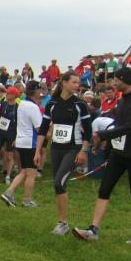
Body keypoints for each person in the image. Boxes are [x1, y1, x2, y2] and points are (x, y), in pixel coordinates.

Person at [73, 67, 131, 243]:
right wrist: (99, 130)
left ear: (125, 81)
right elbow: (115, 120)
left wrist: (103, 135)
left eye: (116, 80)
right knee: (104, 188)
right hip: (118, 153)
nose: (114, 83)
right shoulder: (123, 100)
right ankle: (93, 230)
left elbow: (130, 126)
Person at [33, 72, 91, 235]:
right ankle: (62, 222)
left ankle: (63, 223)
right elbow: (43, 129)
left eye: (78, 83)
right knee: (58, 185)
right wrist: (38, 151)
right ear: (64, 83)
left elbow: (88, 130)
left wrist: (83, 150)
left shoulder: (80, 104)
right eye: (74, 82)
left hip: (73, 148)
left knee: (59, 182)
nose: (77, 85)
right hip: (56, 148)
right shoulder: (52, 103)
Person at [0, 81, 43, 209]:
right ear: (36, 91)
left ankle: (8, 193)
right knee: (31, 173)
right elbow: (39, 128)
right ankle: (27, 201)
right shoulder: (33, 107)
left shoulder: (22, 104)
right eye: (40, 90)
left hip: (21, 141)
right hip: (30, 142)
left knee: (24, 171)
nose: (41, 93)